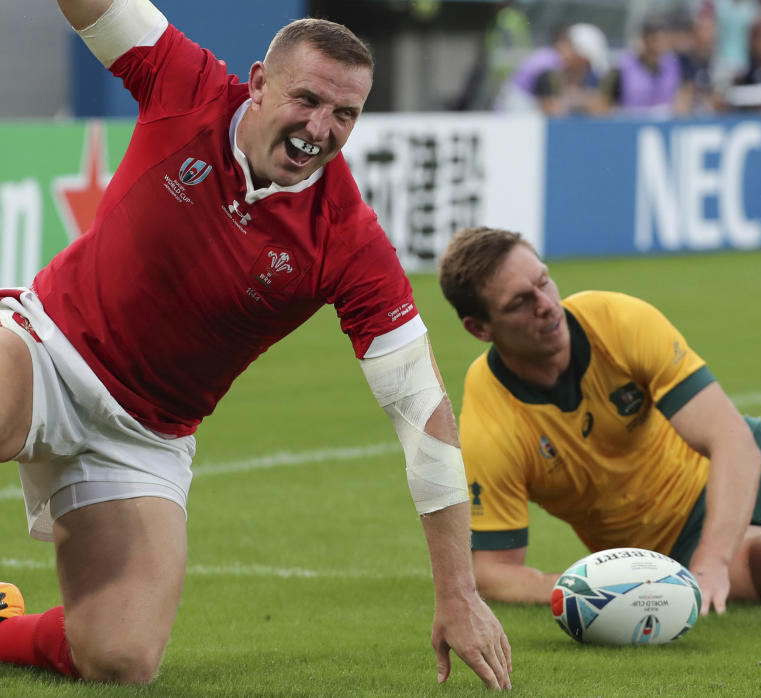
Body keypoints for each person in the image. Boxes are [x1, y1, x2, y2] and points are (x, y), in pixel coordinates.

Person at [0, 0, 511, 688]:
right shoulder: (186, 86)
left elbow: (422, 415)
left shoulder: (348, 238)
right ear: (258, 83)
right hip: (46, 349)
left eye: (345, 114)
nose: (319, 129)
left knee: (120, 655)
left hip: (144, 436)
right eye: (307, 98)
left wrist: (458, 593)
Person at [436, 226, 761, 612]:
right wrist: (589, 589)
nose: (547, 306)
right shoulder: (490, 424)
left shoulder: (615, 319)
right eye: (520, 303)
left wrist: (713, 562)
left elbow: (733, 440)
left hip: (752, 460)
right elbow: (494, 572)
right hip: (670, 543)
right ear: (479, 328)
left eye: (544, 283)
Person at [493, 23, 609, 116]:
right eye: (586, 63)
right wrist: (583, 101)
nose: (586, 69)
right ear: (577, 54)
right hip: (513, 123)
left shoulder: (555, 61)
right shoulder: (546, 67)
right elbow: (553, 110)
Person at [589, 15, 682, 117]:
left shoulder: (673, 66)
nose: (657, 45)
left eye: (662, 39)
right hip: (628, 127)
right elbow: (600, 105)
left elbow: (681, 103)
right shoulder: (621, 68)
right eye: (653, 39)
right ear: (643, 39)